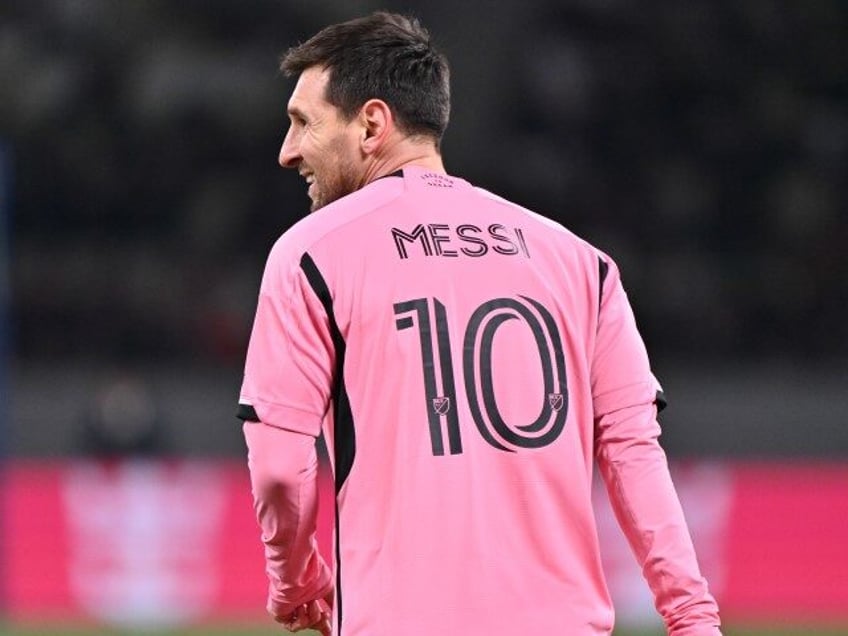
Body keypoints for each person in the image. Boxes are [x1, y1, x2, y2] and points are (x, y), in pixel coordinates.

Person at [237, 11, 722, 636]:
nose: (288, 151)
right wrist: (692, 615)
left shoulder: (311, 254)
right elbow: (634, 453)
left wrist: (297, 580)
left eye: (303, 122)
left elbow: (280, 466)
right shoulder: (581, 264)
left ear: (372, 124)